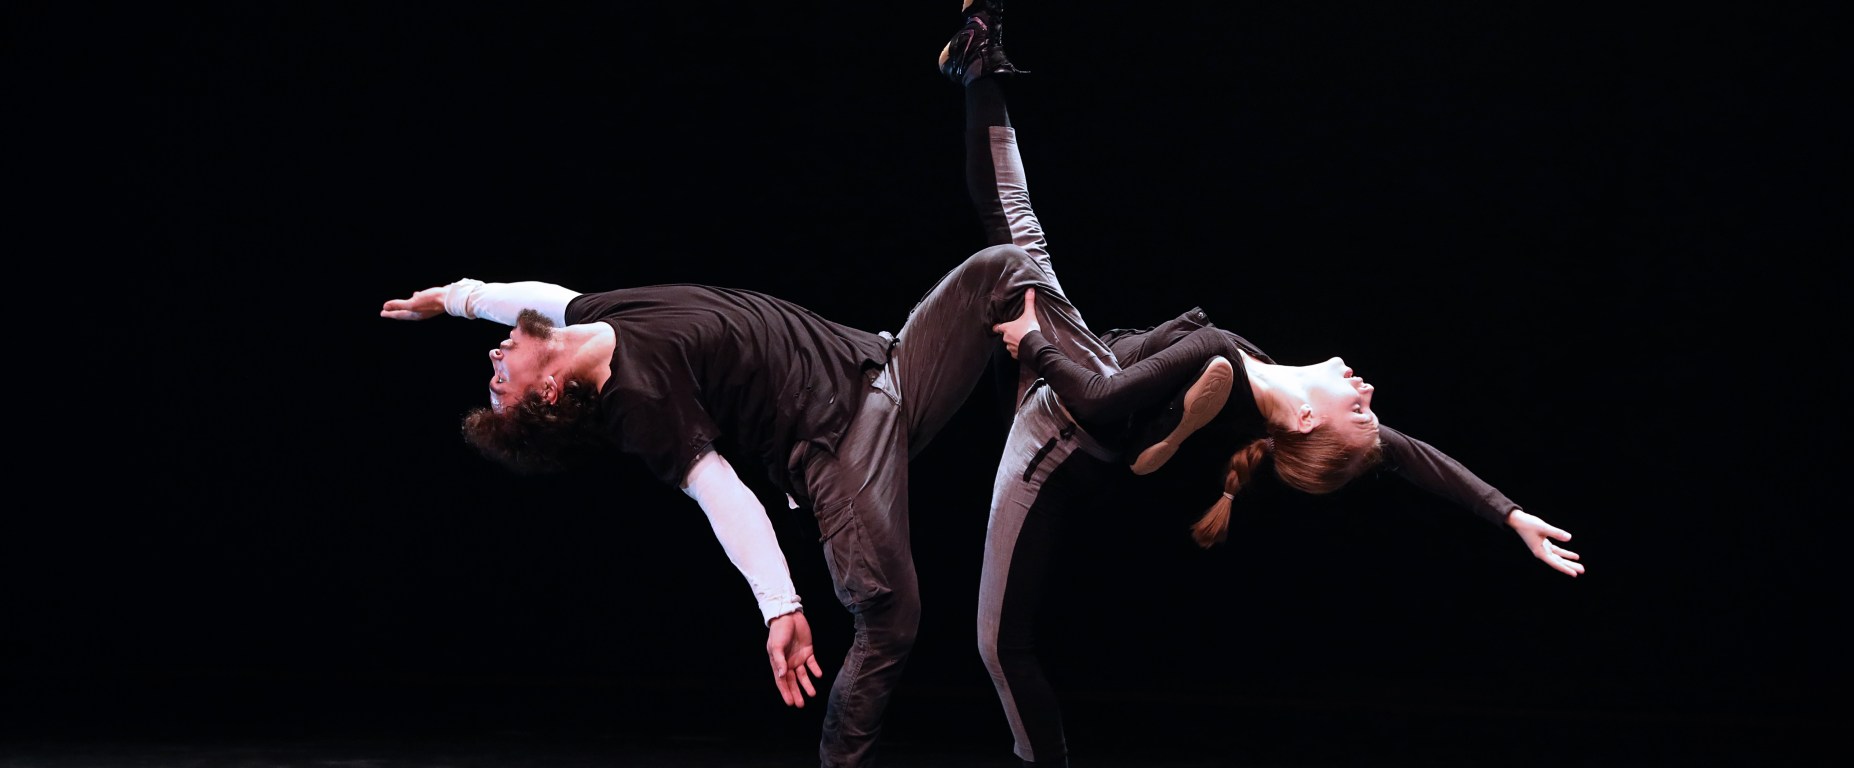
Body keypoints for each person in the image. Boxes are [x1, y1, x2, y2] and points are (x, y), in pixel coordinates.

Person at [375, 13, 1129, 762]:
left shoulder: (592, 317)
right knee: (891, 619)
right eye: (498, 382)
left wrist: (456, 298)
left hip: (884, 366)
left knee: (1003, 269)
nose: (494, 358)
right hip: (838, 449)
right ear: (546, 395)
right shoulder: (638, 404)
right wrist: (780, 605)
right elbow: (721, 495)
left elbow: (536, 297)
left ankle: (1098, 392)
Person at [932, 4, 1584, 766]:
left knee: (998, 644)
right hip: (1092, 373)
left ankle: (1042, 755)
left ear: (1306, 420)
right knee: (1017, 227)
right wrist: (1508, 514)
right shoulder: (1259, 378)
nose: (1371, 394)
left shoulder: (1225, 361)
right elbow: (1413, 457)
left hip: (1062, 428)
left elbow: (1098, 401)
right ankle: (977, 59)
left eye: (1359, 412)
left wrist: (1035, 344)